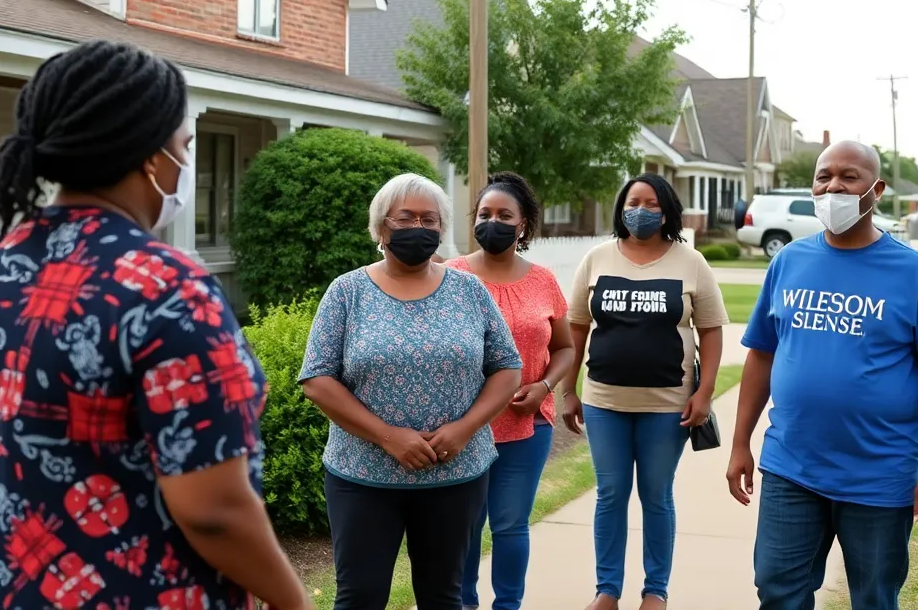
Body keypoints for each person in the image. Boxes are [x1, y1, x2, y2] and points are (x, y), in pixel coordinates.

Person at [0, 40, 311, 610]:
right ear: (151, 157)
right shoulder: (168, 288)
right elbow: (214, 511)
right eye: (184, 145)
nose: (187, 163)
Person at [727, 141, 918, 610]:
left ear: (876, 190)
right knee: (777, 589)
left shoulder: (915, 274)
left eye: (849, 176)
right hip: (791, 466)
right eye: (824, 176)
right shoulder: (789, 263)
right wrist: (741, 442)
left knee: (874, 598)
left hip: (880, 475)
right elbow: (761, 354)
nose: (833, 186)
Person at [298, 173, 523, 610]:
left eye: (430, 219)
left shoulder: (468, 290)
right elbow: (317, 379)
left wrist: (464, 429)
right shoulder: (347, 292)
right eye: (407, 218)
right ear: (381, 227)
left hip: (454, 473)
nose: (420, 227)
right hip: (362, 475)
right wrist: (387, 435)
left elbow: (507, 369)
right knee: (360, 596)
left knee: (444, 597)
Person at [562, 173, 730, 610]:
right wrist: (568, 390)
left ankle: (655, 591)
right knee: (611, 494)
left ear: (667, 210)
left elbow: (710, 332)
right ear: (621, 208)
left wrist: (705, 392)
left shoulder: (690, 262)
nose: (642, 210)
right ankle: (607, 591)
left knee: (656, 495)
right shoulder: (596, 258)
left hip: (668, 407)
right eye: (634, 201)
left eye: (652, 203)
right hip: (604, 403)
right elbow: (575, 329)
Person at [448, 172, 576, 610]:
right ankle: (462, 603)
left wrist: (545, 385)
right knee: (464, 526)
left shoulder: (543, 281)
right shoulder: (449, 276)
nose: (493, 222)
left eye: (504, 215)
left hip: (526, 425)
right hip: (464, 427)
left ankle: (508, 605)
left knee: (510, 524)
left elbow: (565, 348)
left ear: (522, 225)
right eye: (485, 214)